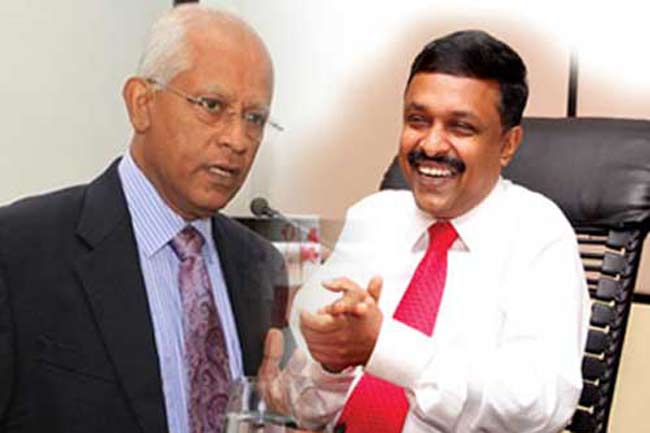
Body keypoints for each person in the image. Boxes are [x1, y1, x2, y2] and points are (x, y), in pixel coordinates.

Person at [264, 30, 591, 433]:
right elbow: (304, 408)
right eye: (417, 120)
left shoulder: (539, 234)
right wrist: (331, 361)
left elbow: (537, 405)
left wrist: (385, 347)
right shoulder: (375, 216)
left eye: (461, 127)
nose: (432, 145)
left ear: (508, 144)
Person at [0, 5, 288, 433]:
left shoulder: (261, 266)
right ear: (141, 103)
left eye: (255, 118)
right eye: (212, 106)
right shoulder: (19, 250)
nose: (237, 139)